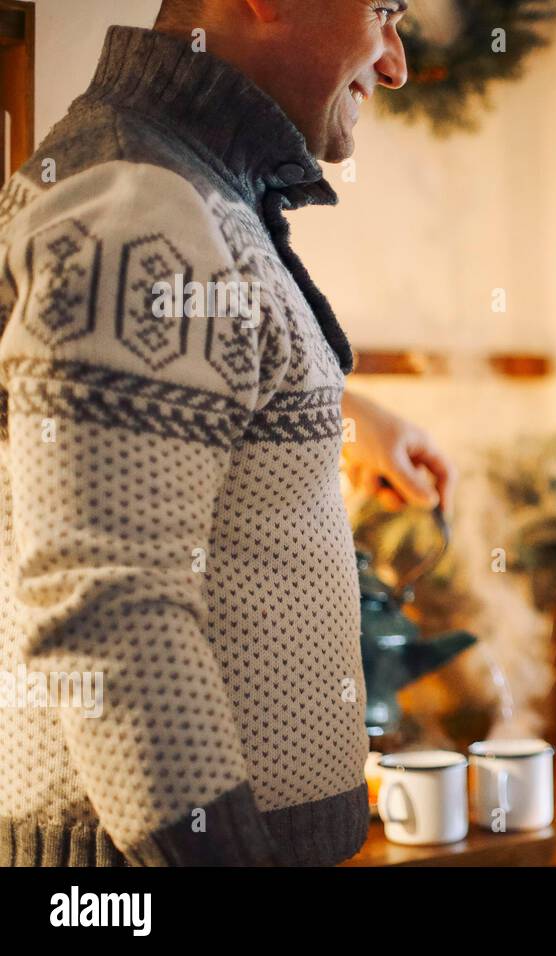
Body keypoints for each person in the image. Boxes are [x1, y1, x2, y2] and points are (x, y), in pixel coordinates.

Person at [0, 0, 454, 866]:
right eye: (384, 11)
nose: (395, 64)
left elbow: (197, 369)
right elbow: (112, 607)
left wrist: (347, 418)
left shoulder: (171, 186)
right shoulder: (136, 205)